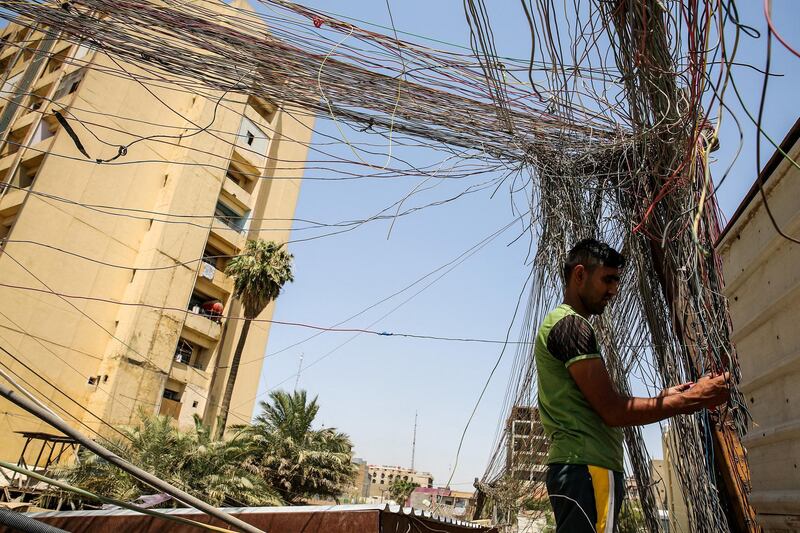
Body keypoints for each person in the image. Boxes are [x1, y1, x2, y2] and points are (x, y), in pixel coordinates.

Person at [535, 238, 730, 533]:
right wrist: (694, 398)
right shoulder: (571, 326)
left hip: (581, 468)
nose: (614, 290)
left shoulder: (565, 324)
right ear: (579, 275)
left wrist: (664, 398)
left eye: (617, 281)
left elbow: (604, 402)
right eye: (607, 279)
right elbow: (613, 411)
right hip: (587, 468)